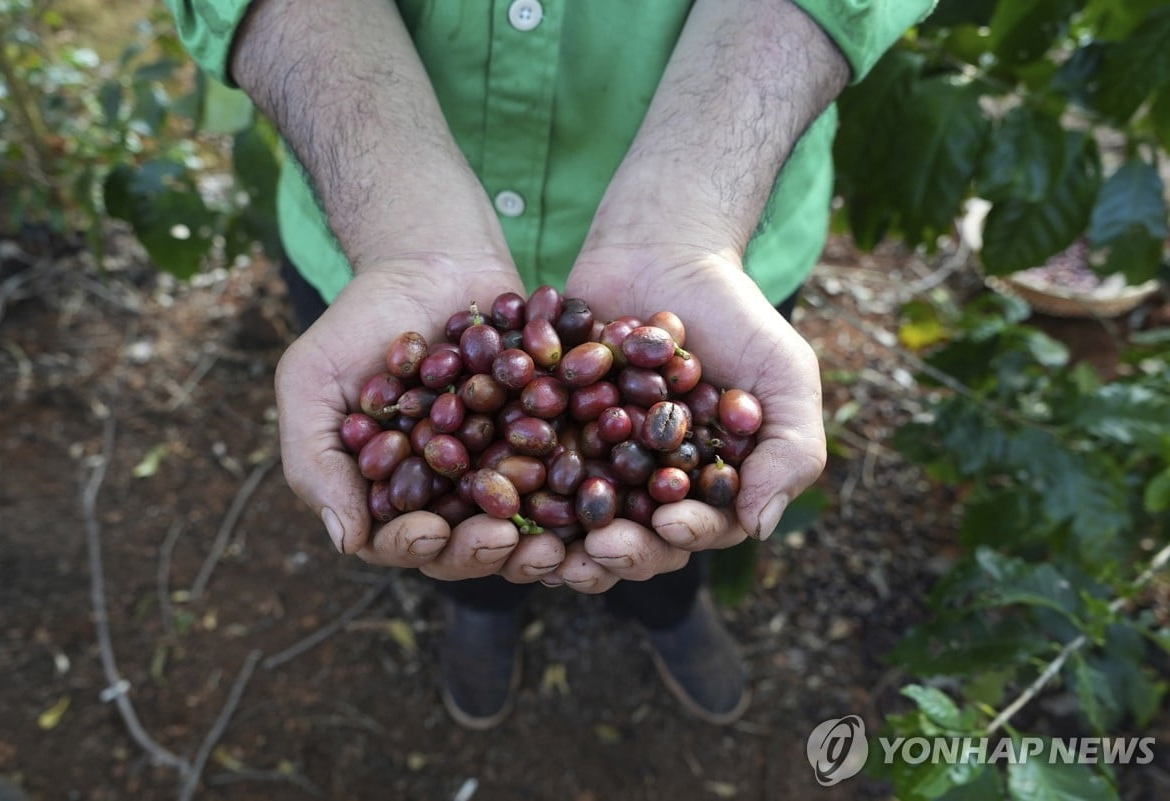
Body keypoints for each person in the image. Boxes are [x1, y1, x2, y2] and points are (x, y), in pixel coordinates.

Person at [167, 0, 934, 729]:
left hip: (719, 241)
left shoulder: (620, 382)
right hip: (374, 248)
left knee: (663, 535)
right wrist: (394, 219)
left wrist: (694, 215)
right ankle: (481, 612)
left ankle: (668, 611)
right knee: (462, 536)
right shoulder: (471, 385)